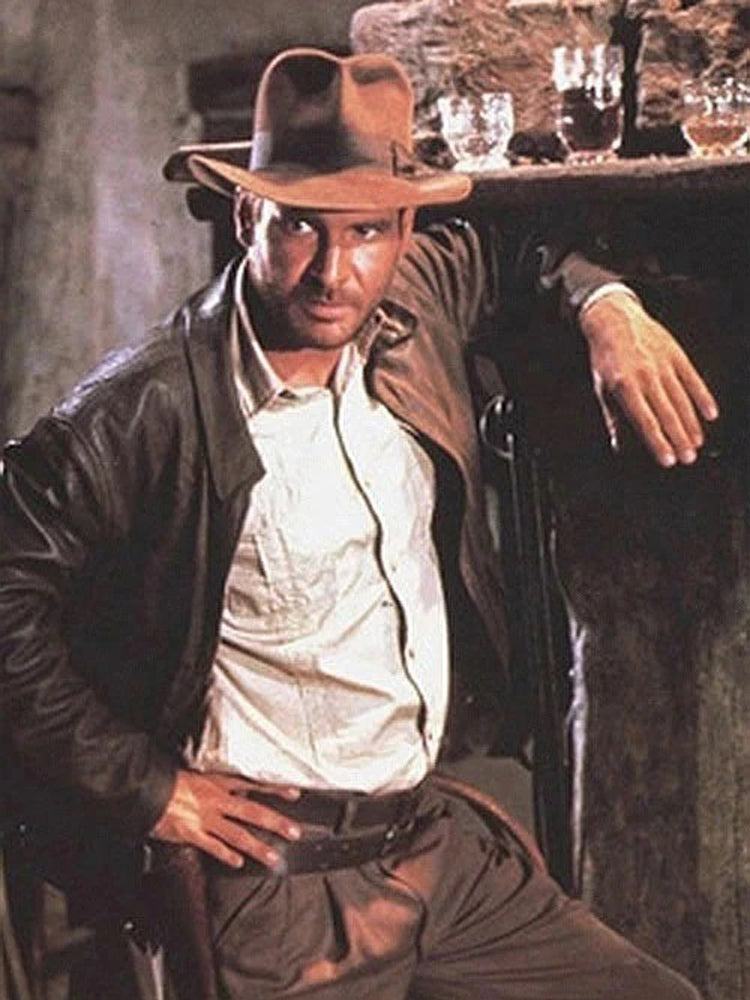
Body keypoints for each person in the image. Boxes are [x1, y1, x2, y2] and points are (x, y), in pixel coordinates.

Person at [0, 47, 716, 1000]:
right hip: (275, 888)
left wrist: (608, 307)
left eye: (368, 231)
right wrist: (146, 788)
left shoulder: (411, 304)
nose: (335, 272)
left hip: (434, 850)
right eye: (300, 225)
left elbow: (521, 247)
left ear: (406, 230)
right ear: (248, 215)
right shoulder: (145, 409)